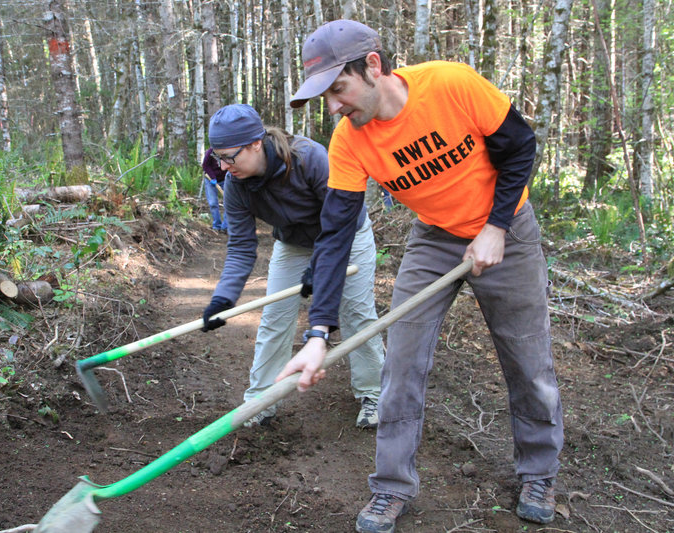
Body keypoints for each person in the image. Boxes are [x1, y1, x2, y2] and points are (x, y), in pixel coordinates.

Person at [277, 20, 563, 533]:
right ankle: (390, 487)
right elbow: (335, 237)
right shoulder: (348, 141)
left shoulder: (451, 84)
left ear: (373, 66)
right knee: (402, 362)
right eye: (325, 98)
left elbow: (520, 145)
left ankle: (539, 472)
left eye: (337, 90)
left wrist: (496, 228)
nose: (334, 108)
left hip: (508, 230)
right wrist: (319, 332)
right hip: (434, 239)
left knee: (528, 359)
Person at [201, 103, 385, 429]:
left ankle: (374, 394)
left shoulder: (308, 158)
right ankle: (261, 400)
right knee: (275, 317)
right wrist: (223, 299)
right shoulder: (236, 185)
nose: (225, 167)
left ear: (255, 143)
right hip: (293, 243)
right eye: (219, 159)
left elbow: (339, 222)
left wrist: (321, 266)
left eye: (230, 157)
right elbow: (242, 247)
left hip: (345, 236)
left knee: (355, 313)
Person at [201, 148, 228, 232]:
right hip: (210, 180)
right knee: (213, 203)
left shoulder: (227, 151)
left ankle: (226, 226)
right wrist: (213, 177)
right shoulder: (210, 152)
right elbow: (205, 165)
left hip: (225, 179)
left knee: (228, 202)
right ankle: (217, 225)